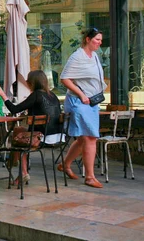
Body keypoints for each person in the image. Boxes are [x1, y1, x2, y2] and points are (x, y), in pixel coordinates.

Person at [58, 28, 106, 189]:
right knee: (90, 137)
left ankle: (65, 165)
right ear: (87, 39)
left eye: (100, 40)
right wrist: (81, 94)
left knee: (82, 139)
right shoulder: (77, 57)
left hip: (91, 102)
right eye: (97, 40)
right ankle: (90, 177)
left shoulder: (94, 56)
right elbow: (64, 78)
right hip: (80, 101)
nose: (100, 42)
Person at [0, 70, 61, 185]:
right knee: (19, 131)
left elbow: (14, 110)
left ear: (31, 83)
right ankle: (16, 164)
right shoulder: (53, 95)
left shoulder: (36, 95)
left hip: (41, 137)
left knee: (18, 139)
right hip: (57, 137)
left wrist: (3, 95)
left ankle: (19, 167)